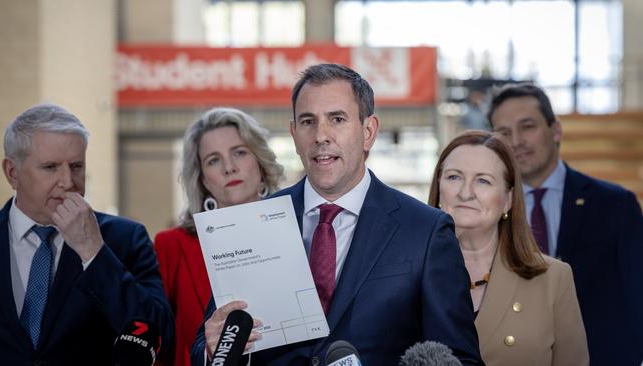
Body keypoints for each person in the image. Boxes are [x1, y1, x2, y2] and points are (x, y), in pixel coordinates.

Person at [190, 63, 483, 365]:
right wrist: (212, 348)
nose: (321, 136)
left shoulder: (425, 231)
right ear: (294, 134)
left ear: (368, 132)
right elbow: (205, 344)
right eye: (308, 122)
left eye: (337, 119)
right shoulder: (252, 224)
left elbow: (460, 358)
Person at [0, 103, 173, 365]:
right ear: (12, 173)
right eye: (51, 167)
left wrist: (94, 252)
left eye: (76, 166)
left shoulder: (125, 238)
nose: (68, 182)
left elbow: (161, 337)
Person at [487, 83, 643, 365]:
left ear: (555, 130)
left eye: (528, 126)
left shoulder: (615, 206)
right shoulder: (486, 212)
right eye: (504, 133)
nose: (517, 141)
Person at [428, 130, 589, 365]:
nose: (465, 192)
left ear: (508, 199)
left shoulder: (553, 279)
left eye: (483, 180)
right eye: (454, 177)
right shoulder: (402, 273)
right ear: (438, 187)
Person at [153, 107, 283, 366]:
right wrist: (208, 353)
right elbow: (159, 342)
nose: (229, 168)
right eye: (213, 160)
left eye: (239, 152)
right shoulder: (172, 246)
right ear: (202, 179)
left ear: (260, 161)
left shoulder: (299, 230)